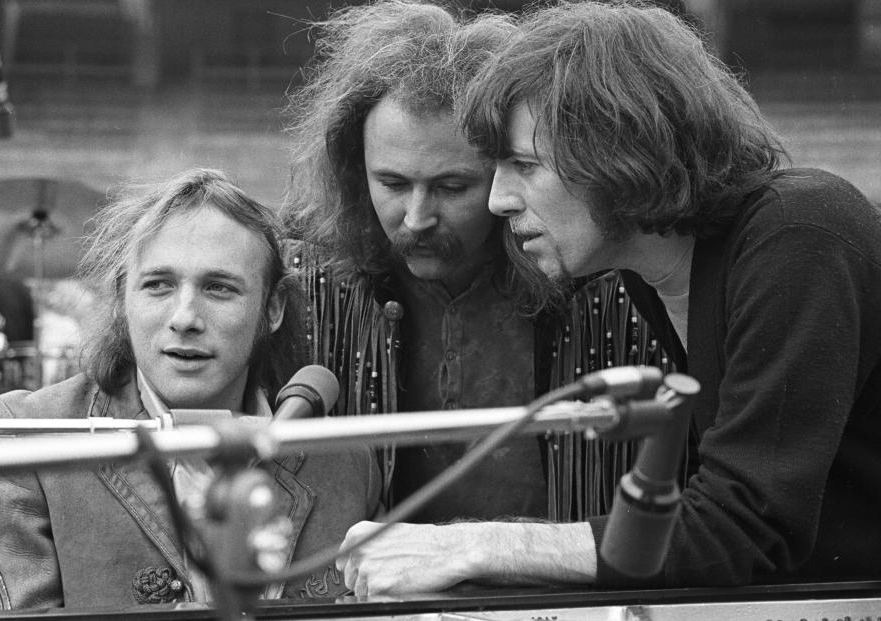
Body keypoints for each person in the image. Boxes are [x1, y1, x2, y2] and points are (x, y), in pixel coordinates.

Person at [336, 0, 881, 594]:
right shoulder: (654, 274)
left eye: (524, 165)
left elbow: (740, 529)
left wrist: (471, 545)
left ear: (616, 149)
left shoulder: (801, 235)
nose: (498, 200)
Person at [282, 0, 671, 534]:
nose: (416, 219)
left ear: (512, 174)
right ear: (354, 171)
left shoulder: (610, 283)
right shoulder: (307, 279)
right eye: (392, 184)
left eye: (452, 187)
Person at [0, 169, 381, 612]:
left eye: (219, 288)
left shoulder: (346, 460)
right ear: (122, 300)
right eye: (158, 285)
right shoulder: (22, 436)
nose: (185, 317)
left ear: (272, 309)